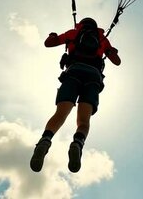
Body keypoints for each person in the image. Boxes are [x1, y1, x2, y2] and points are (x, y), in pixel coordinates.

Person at [30, 17, 121, 173]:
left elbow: (48, 43)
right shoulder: (102, 39)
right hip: (93, 78)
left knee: (60, 114)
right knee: (84, 121)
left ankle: (45, 140)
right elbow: (117, 61)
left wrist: (52, 36)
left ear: (82, 24)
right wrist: (111, 51)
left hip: (73, 73)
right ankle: (77, 144)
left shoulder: (73, 33)